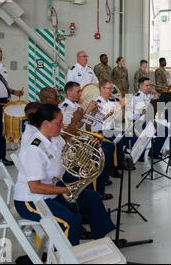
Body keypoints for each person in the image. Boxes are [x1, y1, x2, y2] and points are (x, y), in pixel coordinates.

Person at [13, 104, 115, 246]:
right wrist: (66, 190)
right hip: (31, 201)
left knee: (92, 198)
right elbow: (34, 187)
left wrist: (91, 146)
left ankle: (102, 241)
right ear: (46, 124)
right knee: (70, 220)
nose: (62, 125)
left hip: (50, 191)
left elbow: (70, 157)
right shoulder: (34, 149)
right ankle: (67, 257)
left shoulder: (55, 139)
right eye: (59, 122)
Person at [131, 77, 166, 161]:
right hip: (138, 123)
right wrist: (153, 100)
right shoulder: (137, 97)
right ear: (140, 86)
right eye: (147, 85)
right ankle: (140, 153)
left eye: (150, 85)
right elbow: (144, 111)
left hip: (149, 121)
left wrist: (157, 96)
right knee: (140, 158)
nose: (149, 87)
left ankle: (154, 152)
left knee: (164, 130)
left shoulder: (148, 95)